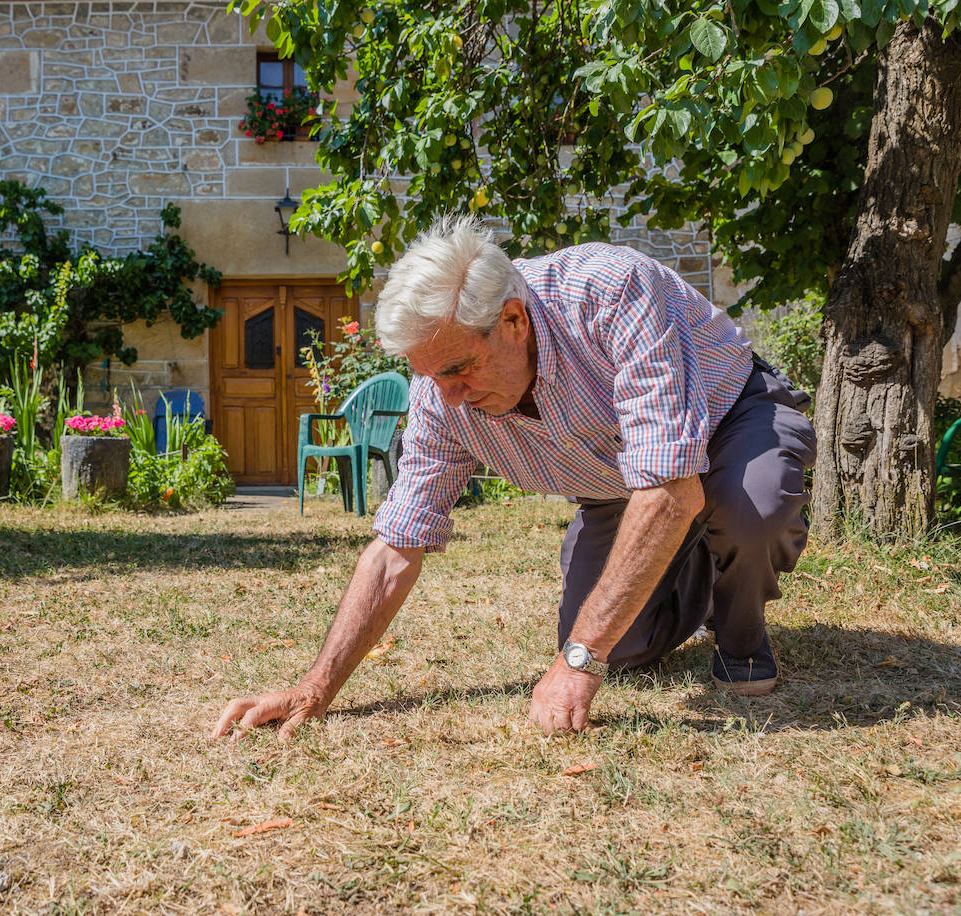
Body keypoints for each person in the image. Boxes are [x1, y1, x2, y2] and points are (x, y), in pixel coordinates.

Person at [211, 215, 817, 740]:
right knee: (623, 649)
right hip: (619, 481)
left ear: (513, 320)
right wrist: (313, 691)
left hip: (730, 414)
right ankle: (687, 548)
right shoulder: (439, 396)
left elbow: (667, 489)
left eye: (458, 370)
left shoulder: (611, 291)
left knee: (750, 510)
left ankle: (740, 635)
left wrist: (578, 661)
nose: (447, 398)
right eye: (429, 377)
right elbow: (397, 548)